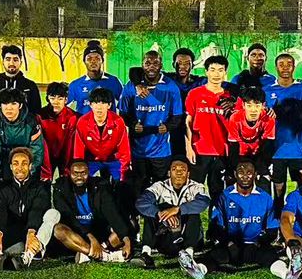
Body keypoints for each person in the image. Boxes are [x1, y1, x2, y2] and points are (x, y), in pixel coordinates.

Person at [0, 147, 60, 270]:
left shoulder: (40, 187)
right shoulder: (3, 187)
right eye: (16, 164)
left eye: (24, 163)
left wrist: (31, 233)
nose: (20, 167)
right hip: (7, 234)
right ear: (10, 167)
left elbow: (37, 210)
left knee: (53, 213)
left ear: (30, 166)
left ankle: (29, 255)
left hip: (30, 234)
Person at [133, 157, 211, 278]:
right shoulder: (159, 186)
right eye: (174, 169)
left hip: (188, 238)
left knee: (193, 211)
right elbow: (141, 202)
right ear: (169, 173)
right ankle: (145, 254)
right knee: (152, 211)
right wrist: (160, 213)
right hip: (166, 239)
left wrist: (178, 209)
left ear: (188, 173)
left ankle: (188, 257)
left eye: (183, 169)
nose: (179, 172)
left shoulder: (196, 187)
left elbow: (204, 202)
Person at [119, 50, 183, 192]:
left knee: (161, 186)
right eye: (147, 63)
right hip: (137, 149)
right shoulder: (131, 86)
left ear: (161, 65)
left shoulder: (170, 86)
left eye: (155, 63)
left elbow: (177, 116)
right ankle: (137, 213)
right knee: (139, 185)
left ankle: (160, 213)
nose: (151, 67)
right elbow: (123, 113)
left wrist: (167, 127)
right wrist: (133, 124)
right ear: (142, 65)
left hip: (161, 150)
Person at [51, 159, 131, 263]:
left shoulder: (100, 186)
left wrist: (126, 239)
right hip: (76, 232)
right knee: (59, 230)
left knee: (128, 225)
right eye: (75, 173)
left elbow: (112, 212)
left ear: (89, 173)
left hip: (98, 230)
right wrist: (90, 237)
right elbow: (68, 218)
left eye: (83, 173)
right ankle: (104, 256)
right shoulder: (60, 188)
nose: (79, 177)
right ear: (69, 173)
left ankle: (89, 253)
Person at [207, 159, 279, 271]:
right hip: (231, 244)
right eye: (241, 172)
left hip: (255, 244)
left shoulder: (265, 197)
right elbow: (216, 226)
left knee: (271, 257)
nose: (245, 176)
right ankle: (198, 270)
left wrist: (258, 243)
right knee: (216, 256)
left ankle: (287, 274)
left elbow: (272, 229)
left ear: (255, 174)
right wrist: (228, 243)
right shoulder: (224, 196)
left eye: (249, 173)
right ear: (235, 174)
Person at [265, 52, 302, 203]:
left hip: (300, 150)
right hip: (277, 150)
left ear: (294, 67)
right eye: (281, 65)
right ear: (276, 67)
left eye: (289, 64)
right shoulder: (268, 90)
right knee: (279, 191)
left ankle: (301, 221)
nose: (285, 68)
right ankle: (278, 220)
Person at [183, 54, 235, 199]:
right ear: (206, 72)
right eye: (212, 70)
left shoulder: (230, 97)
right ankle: (192, 222)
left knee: (217, 193)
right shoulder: (195, 94)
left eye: (220, 70)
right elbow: (188, 121)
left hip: (221, 152)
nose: (216, 74)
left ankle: (216, 222)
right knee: (193, 192)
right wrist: (189, 147)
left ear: (225, 73)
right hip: (199, 150)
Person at [0, 87, 47, 182]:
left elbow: (37, 150)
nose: (9, 108)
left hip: (27, 158)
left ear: (20, 105)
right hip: (5, 159)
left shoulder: (31, 122)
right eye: (5, 104)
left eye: (13, 104)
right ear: (0, 106)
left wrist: (30, 172)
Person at [71, 86, 131, 182]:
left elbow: (124, 149)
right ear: (90, 105)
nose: (99, 107)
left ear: (109, 105)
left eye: (103, 103)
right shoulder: (82, 122)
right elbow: (78, 149)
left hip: (113, 160)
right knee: (80, 181)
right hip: (91, 160)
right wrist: (79, 169)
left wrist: (124, 172)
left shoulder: (118, 121)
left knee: (122, 183)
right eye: (95, 103)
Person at [0, 44, 43, 123]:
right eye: (8, 59)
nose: (11, 63)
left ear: (20, 62)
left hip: (24, 133)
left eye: (15, 59)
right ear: (3, 62)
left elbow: (36, 113)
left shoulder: (30, 86)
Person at [226, 85, 276, 178]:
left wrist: (260, 167)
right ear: (243, 105)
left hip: (259, 154)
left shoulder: (268, 118)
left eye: (257, 105)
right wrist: (235, 167)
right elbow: (233, 146)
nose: (253, 110)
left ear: (263, 105)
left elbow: (268, 145)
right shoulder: (235, 118)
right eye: (249, 105)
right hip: (240, 155)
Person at [67, 41, 124, 118]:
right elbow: (62, 106)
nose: (93, 61)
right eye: (89, 58)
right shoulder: (76, 85)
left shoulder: (114, 81)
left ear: (102, 61)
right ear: (84, 61)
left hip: (108, 128)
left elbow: (125, 105)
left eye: (97, 58)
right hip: (84, 128)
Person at [165, 47, 203, 156]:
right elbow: (137, 71)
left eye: (187, 63)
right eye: (179, 63)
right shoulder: (167, 79)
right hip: (172, 125)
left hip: (193, 125)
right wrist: (138, 84)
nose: (182, 66)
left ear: (192, 65)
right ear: (173, 64)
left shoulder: (199, 81)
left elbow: (223, 86)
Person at [38, 81, 79, 182]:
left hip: (64, 156)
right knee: (44, 184)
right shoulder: (39, 116)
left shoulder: (72, 117)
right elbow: (41, 144)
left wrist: (66, 170)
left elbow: (70, 145)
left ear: (66, 100)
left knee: (66, 184)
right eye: (52, 98)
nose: (56, 102)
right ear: (47, 98)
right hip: (46, 156)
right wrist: (46, 170)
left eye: (60, 98)